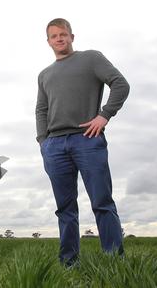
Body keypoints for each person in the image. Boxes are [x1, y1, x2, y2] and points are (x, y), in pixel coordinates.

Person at [36, 18, 129, 267]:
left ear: (72, 36)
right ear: (48, 41)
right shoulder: (44, 75)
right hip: (55, 145)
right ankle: (69, 263)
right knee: (65, 208)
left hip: (87, 139)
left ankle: (113, 262)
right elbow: (41, 110)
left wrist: (104, 115)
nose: (59, 39)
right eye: (54, 36)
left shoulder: (91, 59)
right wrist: (43, 142)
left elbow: (120, 84)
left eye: (63, 34)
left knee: (102, 201)